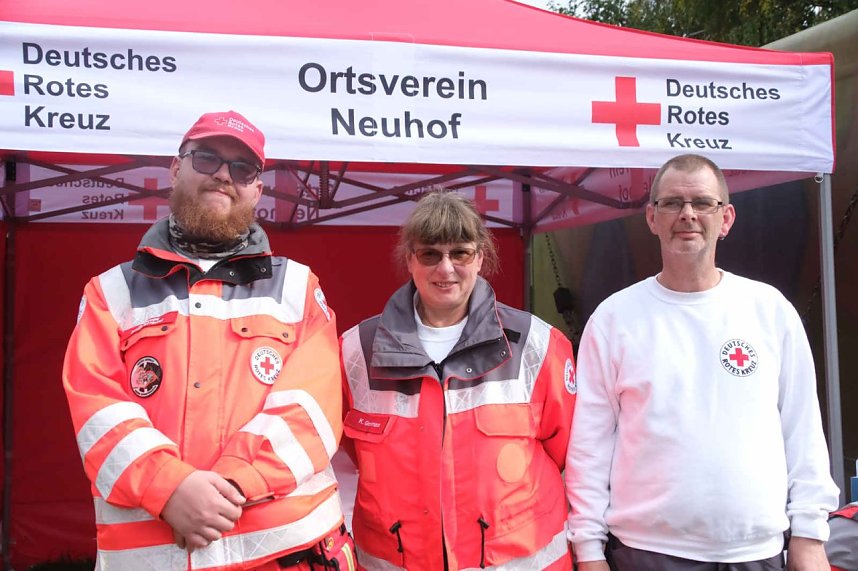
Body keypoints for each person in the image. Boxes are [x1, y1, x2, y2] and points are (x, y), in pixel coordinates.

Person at [62, 110, 352, 570]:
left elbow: (311, 410)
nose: (223, 175)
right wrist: (168, 487)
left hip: (286, 553)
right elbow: (98, 411)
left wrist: (231, 487)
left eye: (243, 169)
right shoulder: (109, 293)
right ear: (176, 169)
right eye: (207, 158)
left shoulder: (299, 289)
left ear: (257, 189)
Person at [564, 153, 840, 571]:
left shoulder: (769, 310)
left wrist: (809, 534)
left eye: (702, 203)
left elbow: (802, 429)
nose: (687, 214)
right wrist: (587, 550)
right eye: (672, 203)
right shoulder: (614, 319)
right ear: (651, 217)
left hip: (756, 553)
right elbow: (589, 446)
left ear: (726, 218)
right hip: (647, 553)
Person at [339, 191, 577, 570]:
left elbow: (573, 457)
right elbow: (349, 455)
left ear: (481, 257)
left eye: (460, 253)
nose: (445, 269)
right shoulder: (356, 350)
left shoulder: (537, 344)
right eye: (430, 254)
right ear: (410, 260)